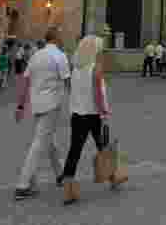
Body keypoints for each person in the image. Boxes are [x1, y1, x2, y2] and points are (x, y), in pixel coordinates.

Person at [13, 27, 71, 201]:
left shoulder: (36, 55)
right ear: (56, 38)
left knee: (49, 140)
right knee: (39, 143)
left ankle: (60, 174)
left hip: (37, 104)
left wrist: (21, 106)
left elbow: (25, 80)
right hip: (52, 104)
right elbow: (68, 82)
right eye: (61, 35)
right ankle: (23, 185)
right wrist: (77, 104)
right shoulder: (60, 56)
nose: (62, 38)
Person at [60, 35, 112, 205]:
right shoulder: (95, 69)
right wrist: (104, 113)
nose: (101, 52)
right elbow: (98, 95)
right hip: (93, 115)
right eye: (99, 49)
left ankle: (68, 189)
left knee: (74, 151)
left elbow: (72, 91)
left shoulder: (76, 69)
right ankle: (114, 176)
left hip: (77, 115)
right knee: (103, 146)